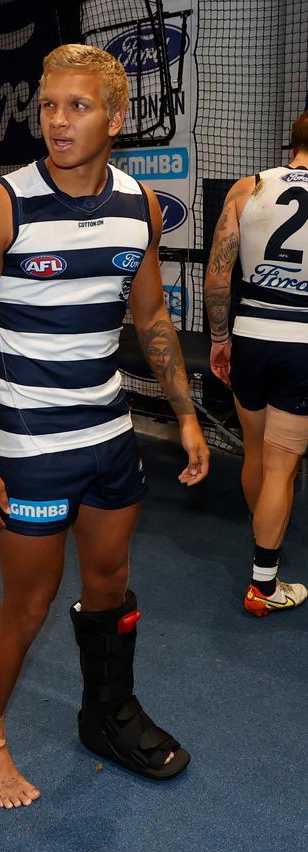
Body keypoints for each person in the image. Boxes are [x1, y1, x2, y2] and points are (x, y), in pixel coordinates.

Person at [0, 43, 210, 810]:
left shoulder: (140, 205)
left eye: (78, 106)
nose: (57, 122)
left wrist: (187, 417)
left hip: (109, 433)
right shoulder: (2, 206)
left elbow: (153, 315)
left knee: (110, 582)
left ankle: (107, 713)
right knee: (27, 603)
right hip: (31, 445)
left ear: (117, 118)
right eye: (49, 104)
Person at [204, 110, 308, 617]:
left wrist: (220, 338)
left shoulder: (248, 187)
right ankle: (264, 582)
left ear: (293, 144)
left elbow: (218, 278)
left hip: (250, 337)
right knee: (282, 468)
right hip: (302, 344)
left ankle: (262, 537)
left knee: (255, 455)